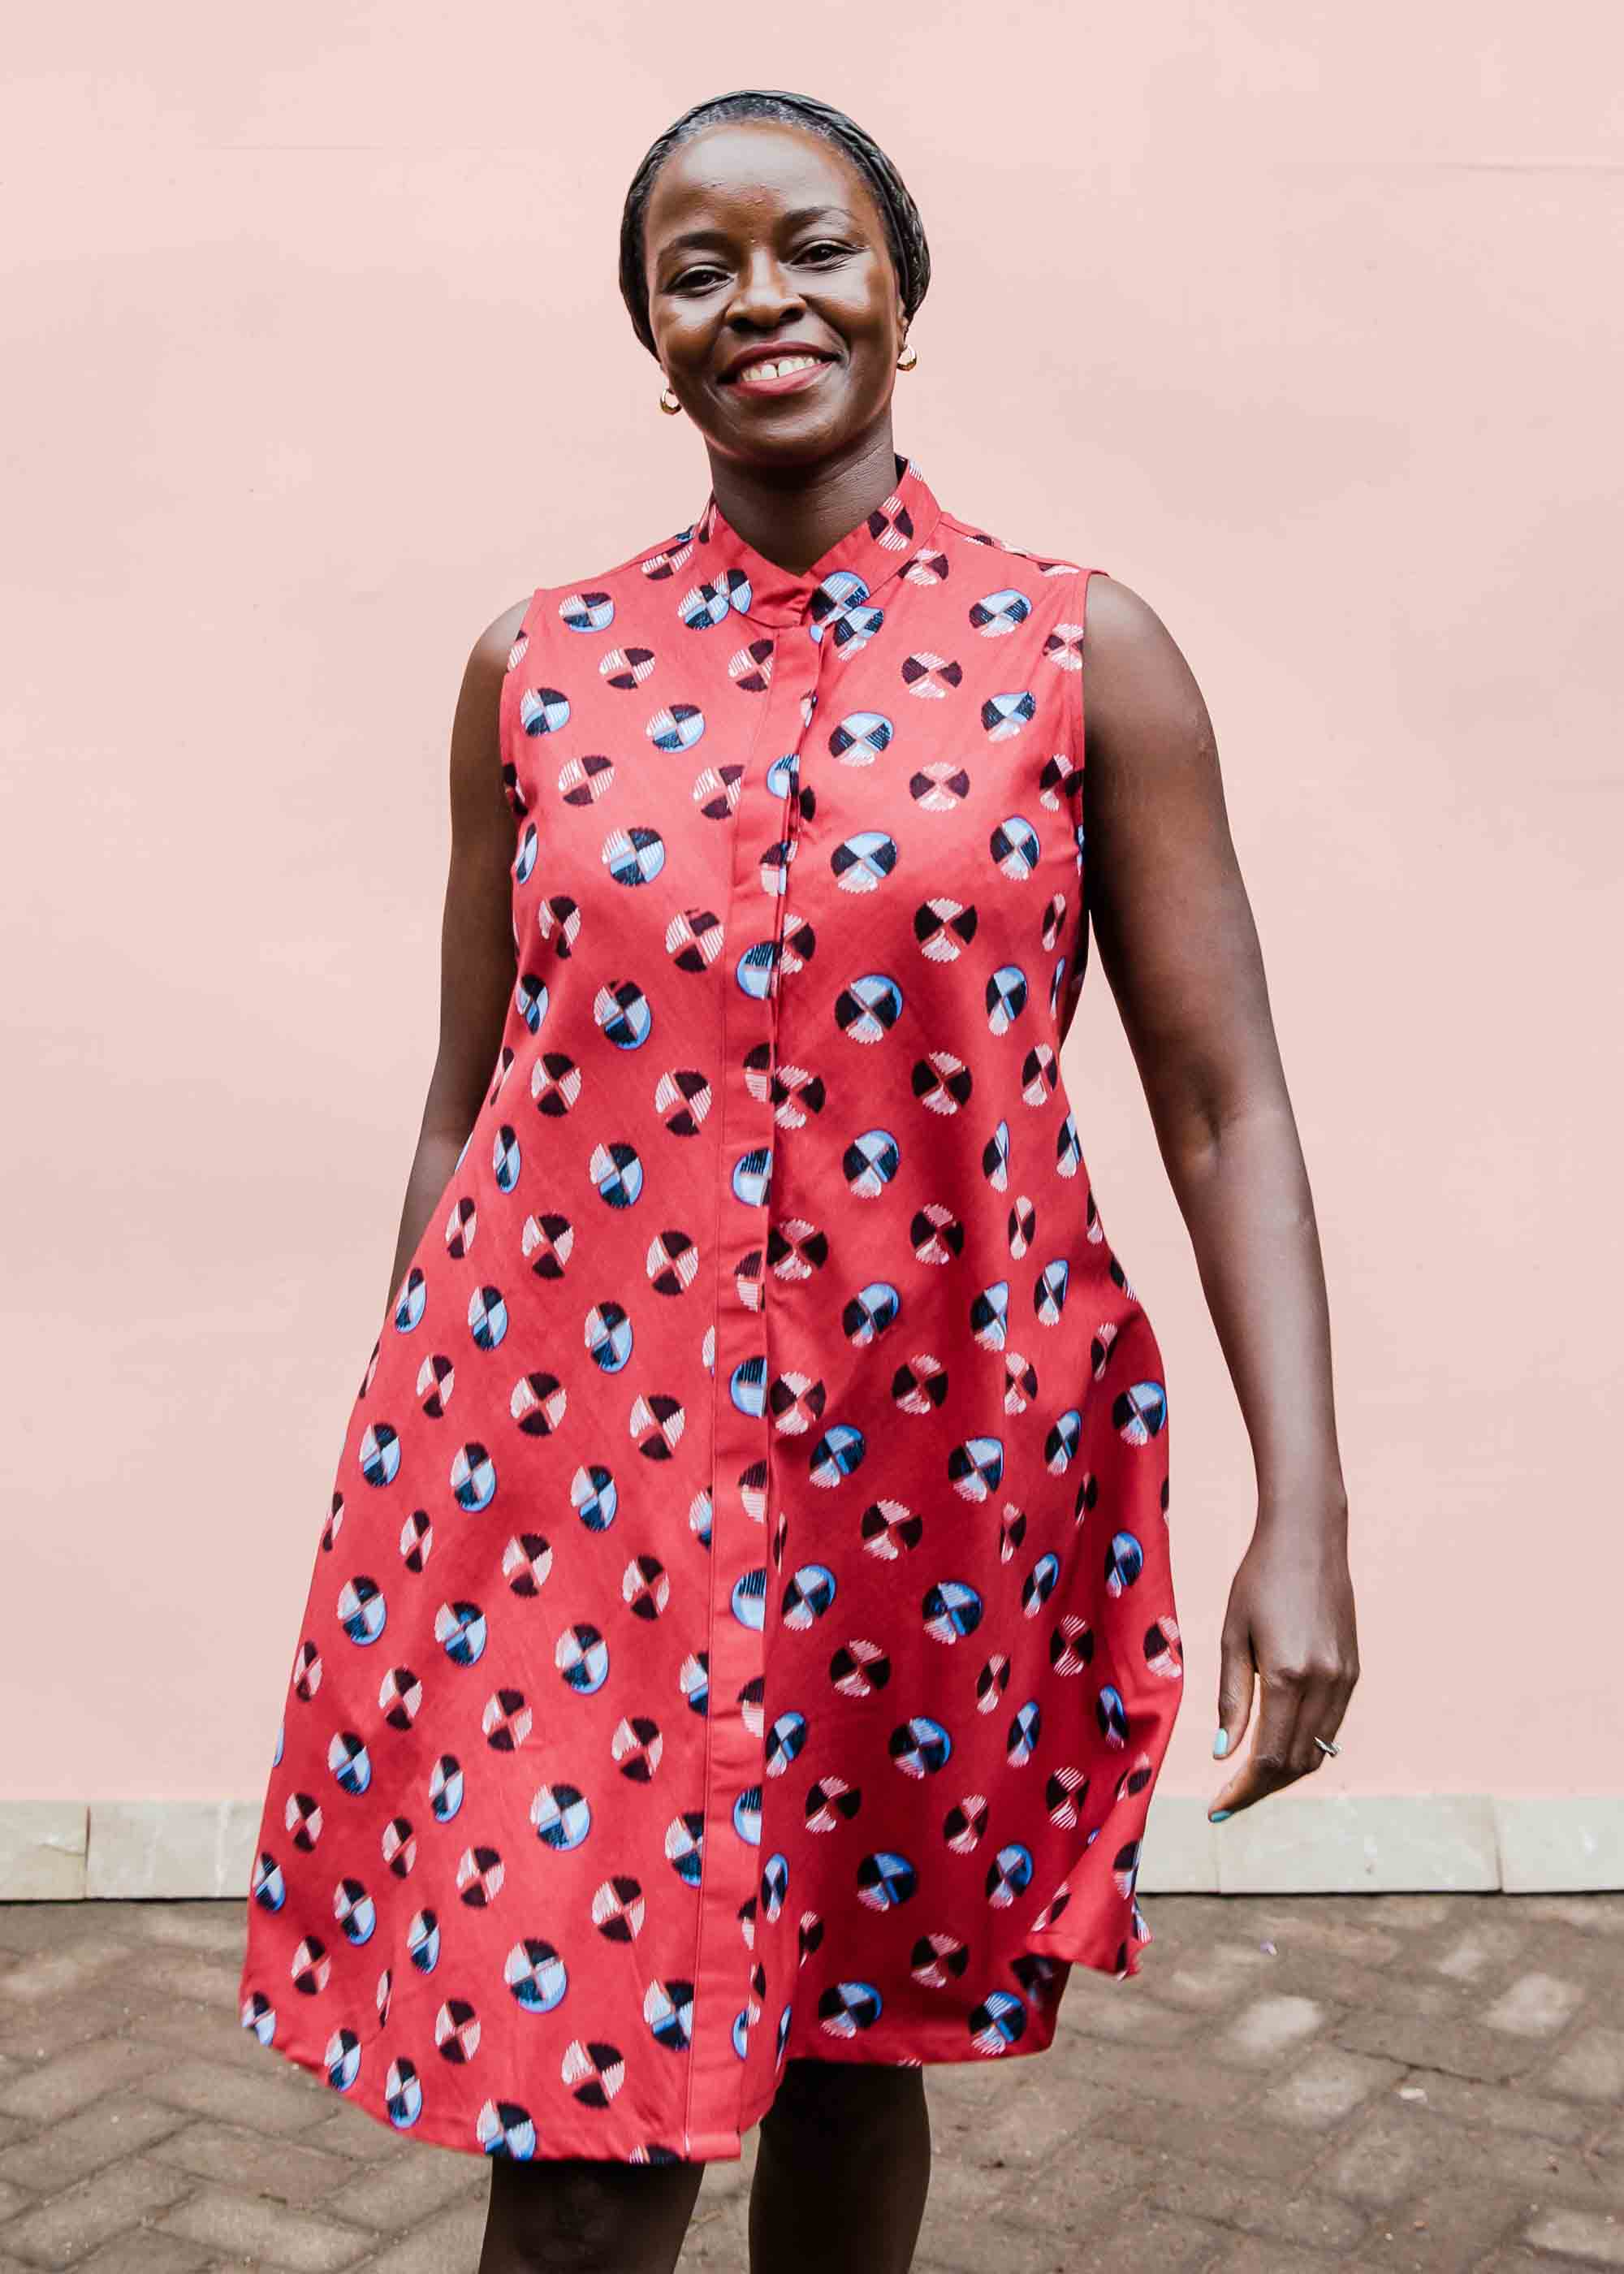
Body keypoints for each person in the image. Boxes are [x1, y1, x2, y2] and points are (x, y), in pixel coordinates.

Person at [237, 86, 1359, 2274]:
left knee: (859, 2041)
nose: (764, 297)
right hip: (573, 1493)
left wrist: (1303, 1516)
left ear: (904, 297)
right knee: (583, 2127)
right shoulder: (536, 671)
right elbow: (470, 1100)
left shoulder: (1081, 657)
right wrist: (407, 1458)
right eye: (698, 266)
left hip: (933, 1473)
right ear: (649, 339)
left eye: (815, 245)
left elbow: (1230, 1106)